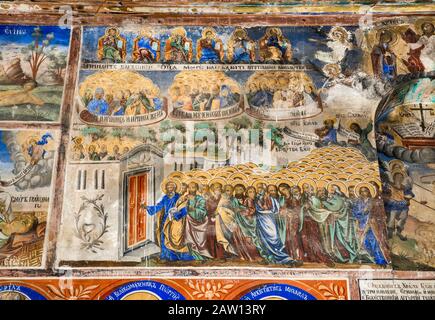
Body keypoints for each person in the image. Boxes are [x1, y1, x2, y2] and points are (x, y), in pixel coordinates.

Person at [142, 181, 194, 261]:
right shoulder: (165, 198)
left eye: (171, 187)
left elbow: (184, 208)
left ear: (175, 188)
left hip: (176, 221)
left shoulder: (179, 197)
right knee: (164, 237)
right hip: (165, 220)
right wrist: (148, 207)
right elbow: (159, 206)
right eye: (168, 187)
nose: (169, 189)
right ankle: (166, 256)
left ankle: (179, 257)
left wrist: (176, 214)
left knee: (176, 239)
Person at [255, 184, 298, 265]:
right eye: (271, 190)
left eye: (275, 190)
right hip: (265, 222)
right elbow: (260, 209)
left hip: (274, 222)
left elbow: (279, 210)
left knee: (276, 238)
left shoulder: (278, 199)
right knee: (269, 239)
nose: (273, 192)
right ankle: (274, 258)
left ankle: (283, 258)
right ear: (267, 191)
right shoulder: (263, 198)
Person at [352, 186, 390, 265]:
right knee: (361, 243)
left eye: (365, 191)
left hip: (372, 225)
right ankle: (366, 259)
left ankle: (379, 260)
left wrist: (372, 218)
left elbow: (379, 213)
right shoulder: (357, 202)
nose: (363, 193)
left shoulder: (373, 201)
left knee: (373, 241)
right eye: (361, 191)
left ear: (369, 192)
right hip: (360, 224)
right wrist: (362, 212)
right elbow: (355, 212)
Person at [173, 181, 211, 260]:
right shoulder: (184, 197)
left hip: (199, 222)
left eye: (193, 187)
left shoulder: (200, 199)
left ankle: (200, 254)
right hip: (186, 221)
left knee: (200, 239)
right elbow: (177, 207)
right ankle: (189, 254)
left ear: (197, 188)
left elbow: (203, 212)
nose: (191, 189)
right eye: (189, 187)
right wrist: (181, 203)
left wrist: (192, 208)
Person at [383, 171, 414, 240]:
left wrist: (409, 197)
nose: (399, 179)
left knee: (403, 217)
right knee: (391, 218)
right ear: (394, 178)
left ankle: (399, 231)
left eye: (401, 177)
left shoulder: (404, 187)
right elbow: (384, 193)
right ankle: (390, 232)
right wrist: (387, 196)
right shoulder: (390, 185)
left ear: (402, 179)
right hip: (392, 205)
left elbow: (409, 194)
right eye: (397, 177)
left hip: (402, 205)